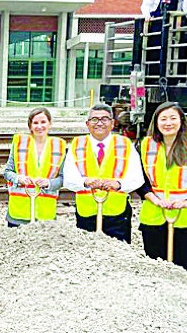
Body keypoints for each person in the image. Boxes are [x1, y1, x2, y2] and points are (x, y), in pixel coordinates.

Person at [136, 102, 187, 277]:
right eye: (163, 119)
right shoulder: (145, 145)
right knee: (156, 269)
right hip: (154, 215)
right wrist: (155, 200)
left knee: (185, 270)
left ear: (181, 121)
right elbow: (139, 182)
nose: (168, 123)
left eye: (173, 118)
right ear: (156, 122)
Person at [62, 103, 144, 243]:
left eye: (104, 119)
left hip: (117, 214)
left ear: (112, 123)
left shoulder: (125, 144)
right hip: (86, 213)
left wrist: (119, 184)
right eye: (94, 119)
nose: (99, 123)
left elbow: (137, 177)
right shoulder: (77, 144)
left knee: (117, 257)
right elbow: (68, 177)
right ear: (87, 124)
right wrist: (84, 182)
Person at [3, 107, 66, 226]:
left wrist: (49, 183)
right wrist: (19, 178)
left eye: (43, 122)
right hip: (18, 212)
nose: (39, 126)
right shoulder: (19, 144)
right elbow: (7, 173)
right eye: (35, 123)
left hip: (45, 214)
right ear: (30, 126)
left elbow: (63, 179)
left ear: (50, 124)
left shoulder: (59, 146)